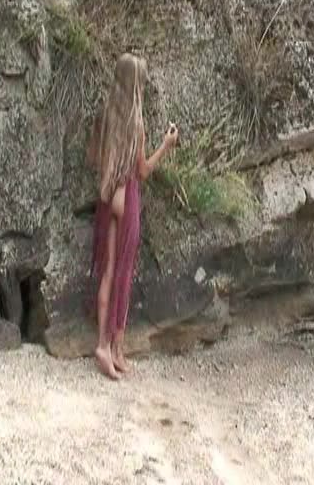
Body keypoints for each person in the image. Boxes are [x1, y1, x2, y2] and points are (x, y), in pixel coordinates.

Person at [86, 52, 179, 380]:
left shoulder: (105, 116)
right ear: (136, 84)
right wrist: (166, 145)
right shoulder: (136, 125)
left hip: (108, 195)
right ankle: (115, 347)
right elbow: (142, 171)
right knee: (124, 277)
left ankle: (105, 346)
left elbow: (93, 157)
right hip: (128, 197)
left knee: (108, 273)